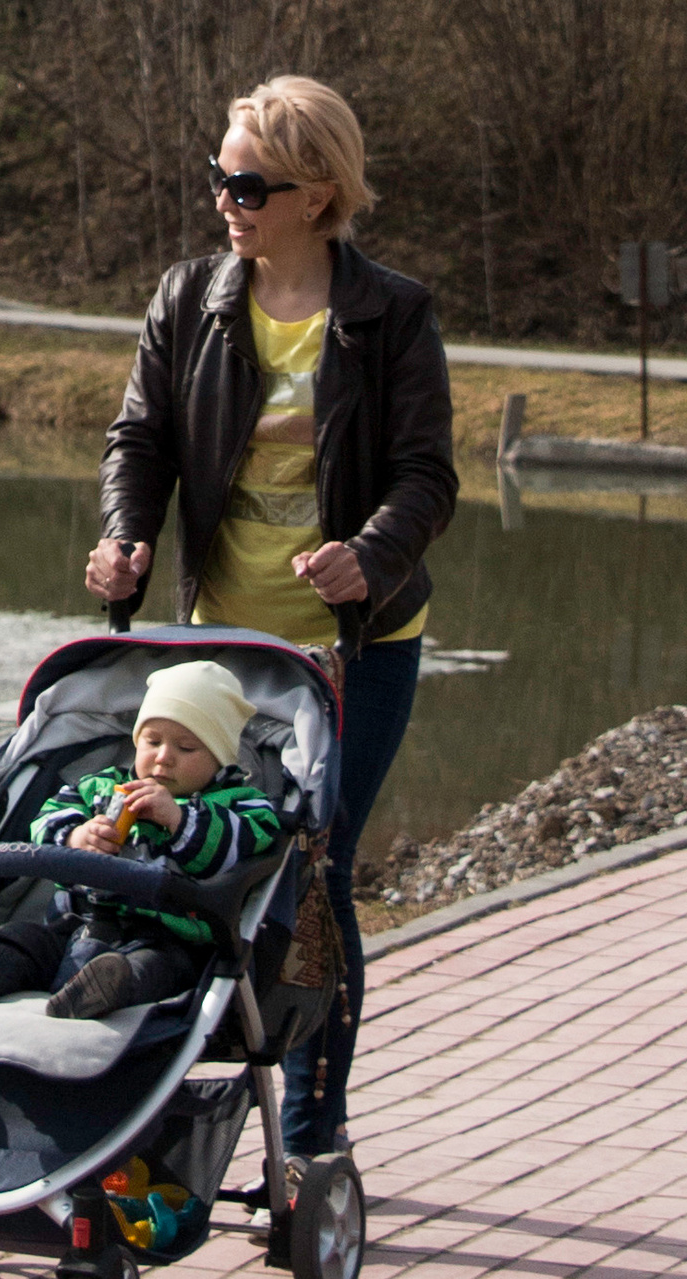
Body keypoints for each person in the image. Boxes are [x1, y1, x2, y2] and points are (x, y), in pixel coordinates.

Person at [82, 75, 456, 1159]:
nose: (226, 200)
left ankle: (311, 1119)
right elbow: (138, 440)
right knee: (186, 850)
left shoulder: (391, 315)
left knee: (316, 868)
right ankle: (168, 1086)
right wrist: (125, 537)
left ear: (318, 193)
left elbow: (426, 477)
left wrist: (371, 557)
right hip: (220, 646)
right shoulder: (188, 297)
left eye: (248, 182)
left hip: (351, 646)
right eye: (219, 177)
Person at [0, 660, 280, 1019]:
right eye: (152, 741)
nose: (163, 758)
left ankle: (107, 990)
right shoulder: (103, 787)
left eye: (186, 747)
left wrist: (179, 819)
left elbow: (241, 849)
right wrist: (76, 835)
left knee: (158, 968)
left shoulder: (241, 805)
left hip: (167, 936)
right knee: (21, 941)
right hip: (75, 922)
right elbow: (45, 821)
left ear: (220, 758)